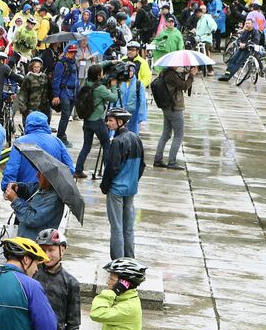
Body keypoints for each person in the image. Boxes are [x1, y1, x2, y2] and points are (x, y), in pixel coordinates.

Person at [101, 106, 144, 259]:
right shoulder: (136, 138)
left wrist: (105, 186)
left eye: (110, 120)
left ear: (120, 122)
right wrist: (133, 181)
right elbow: (142, 165)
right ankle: (130, 259)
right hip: (131, 189)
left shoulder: (117, 142)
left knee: (117, 227)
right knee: (128, 227)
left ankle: (118, 260)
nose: (107, 123)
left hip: (116, 190)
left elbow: (112, 168)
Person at [0, 111, 73, 191]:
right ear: (46, 124)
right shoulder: (57, 142)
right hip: (51, 192)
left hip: (26, 192)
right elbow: (70, 169)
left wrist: (7, 187)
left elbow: (12, 169)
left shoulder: (20, 142)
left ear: (27, 124)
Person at [72, 65, 117, 179]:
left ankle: (78, 170)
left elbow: (97, 68)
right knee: (106, 144)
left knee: (86, 146)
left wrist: (111, 62)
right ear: (98, 76)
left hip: (87, 121)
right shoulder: (100, 89)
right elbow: (114, 98)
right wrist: (113, 86)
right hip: (97, 121)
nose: (103, 74)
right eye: (101, 73)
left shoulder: (86, 83)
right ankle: (107, 172)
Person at [34, 229, 81, 330]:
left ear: (62, 250)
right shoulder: (31, 273)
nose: (46, 255)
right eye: (43, 250)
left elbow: (73, 324)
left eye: (51, 250)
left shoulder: (71, 283)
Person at [5, 170, 66, 240]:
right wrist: (18, 187)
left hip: (37, 242)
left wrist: (15, 200)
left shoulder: (54, 199)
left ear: (48, 177)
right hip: (25, 239)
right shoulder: (43, 187)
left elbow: (32, 219)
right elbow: (29, 189)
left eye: (40, 173)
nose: (37, 176)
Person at [152, 65, 191, 170]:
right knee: (178, 135)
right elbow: (184, 86)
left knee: (166, 134)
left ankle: (158, 159)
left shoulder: (165, 72)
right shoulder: (171, 75)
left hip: (167, 107)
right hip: (174, 107)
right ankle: (172, 161)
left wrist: (184, 73)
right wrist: (192, 75)